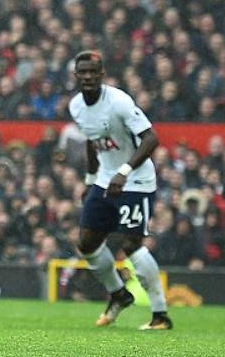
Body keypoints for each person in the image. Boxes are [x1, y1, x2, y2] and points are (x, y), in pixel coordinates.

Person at [68, 51, 172, 331]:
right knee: (87, 243)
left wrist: (124, 171)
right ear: (76, 76)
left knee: (131, 245)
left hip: (136, 179)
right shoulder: (76, 106)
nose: (88, 77)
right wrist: (91, 179)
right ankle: (118, 294)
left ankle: (160, 314)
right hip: (104, 179)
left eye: (93, 72)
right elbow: (93, 141)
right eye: (83, 72)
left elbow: (152, 138)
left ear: (102, 75)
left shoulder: (119, 102)